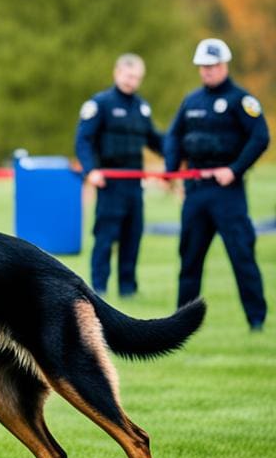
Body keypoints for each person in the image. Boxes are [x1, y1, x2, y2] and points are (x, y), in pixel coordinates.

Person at [164, 38, 269, 331]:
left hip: (227, 193)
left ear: (223, 65)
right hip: (196, 192)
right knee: (190, 258)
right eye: (202, 67)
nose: (206, 72)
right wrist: (171, 169)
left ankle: (256, 320)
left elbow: (260, 137)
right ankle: (182, 322)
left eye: (211, 66)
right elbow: (174, 136)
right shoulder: (191, 101)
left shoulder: (240, 101)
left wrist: (234, 170)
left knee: (241, 255)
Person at [75, 53, 164, 297]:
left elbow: (155, 140)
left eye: (136, 77)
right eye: (127, 75)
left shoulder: (142, 107)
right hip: (109, 182)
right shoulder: (100, 104)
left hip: (134, 183)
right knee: (105, 238)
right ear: (117, 73)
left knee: (132, 236)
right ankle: (98, 290)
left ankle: (128, 289)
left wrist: (178, 153)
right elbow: (83, 140)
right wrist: (90, 170)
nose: (131, 81)